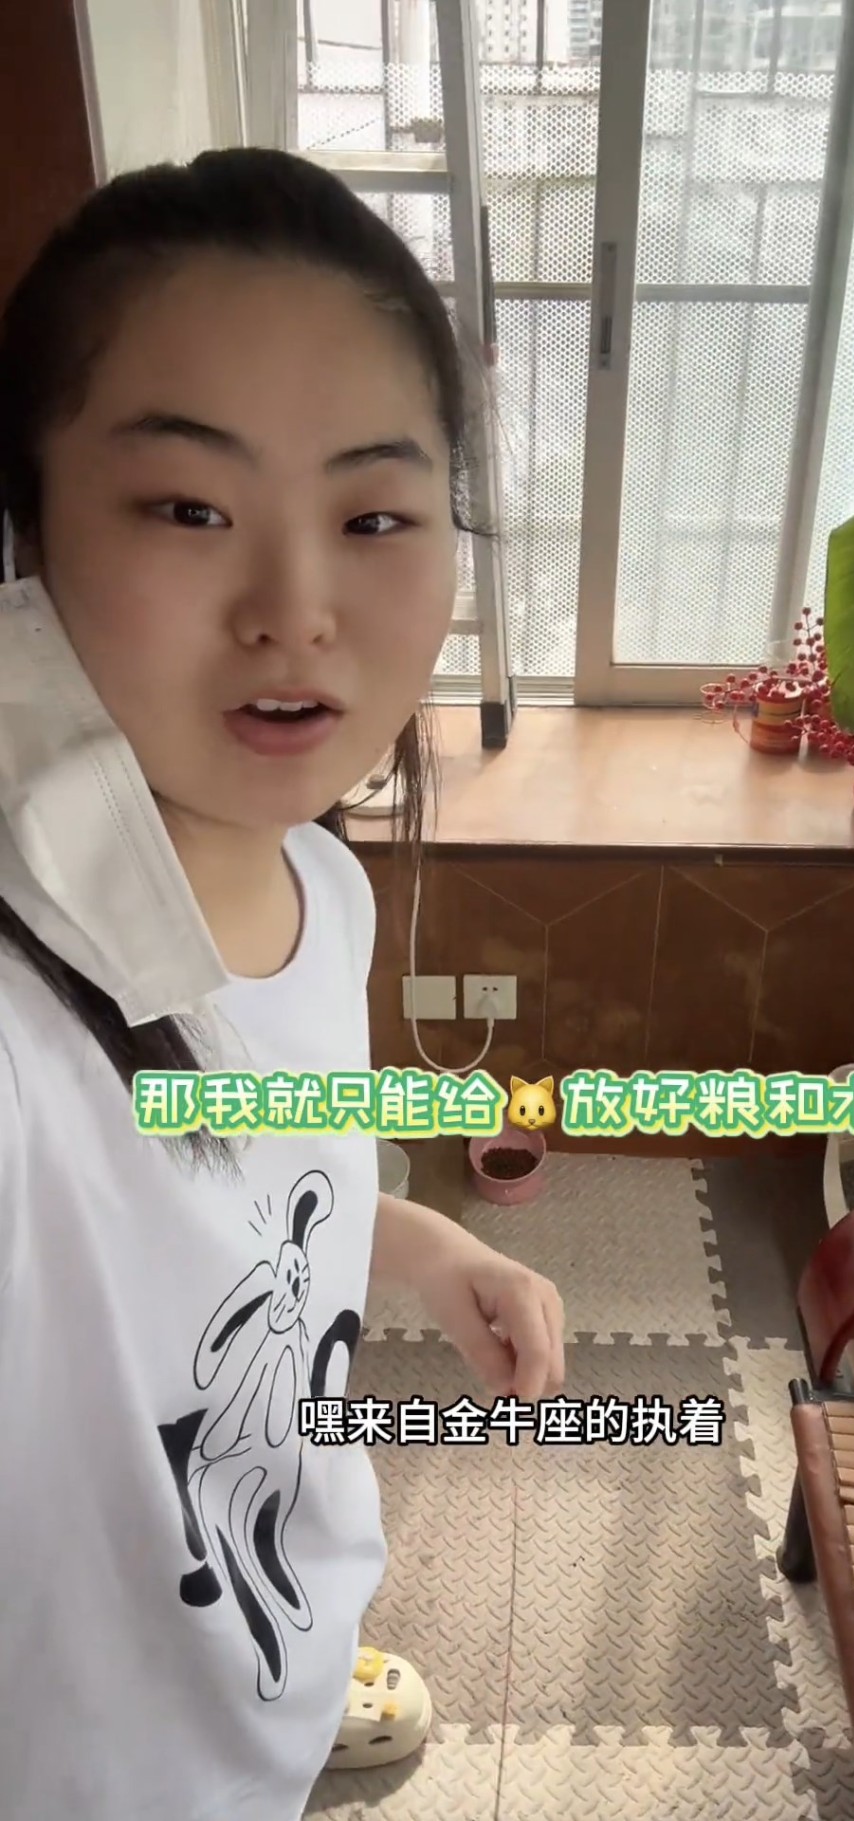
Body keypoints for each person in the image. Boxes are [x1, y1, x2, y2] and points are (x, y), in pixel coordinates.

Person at [0, 147, 565, 1821]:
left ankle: (304, 1695)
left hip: (260, 1627)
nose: (297, 611)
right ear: (26, 532)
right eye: (189, 508)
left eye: (375, 515)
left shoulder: (322, 885)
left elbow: (258, 1179)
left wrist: (430, 1245)